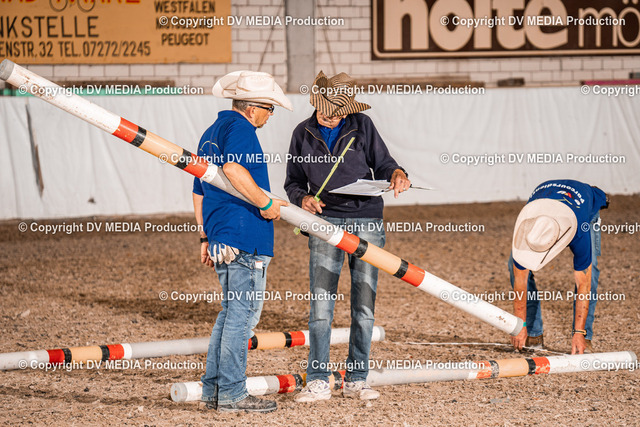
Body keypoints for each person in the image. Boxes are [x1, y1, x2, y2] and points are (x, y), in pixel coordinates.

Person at [285, 71, 411, 402]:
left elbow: (385, 165)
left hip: (366, 218)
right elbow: (293, 182)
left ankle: (357, 378)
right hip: (324, 222)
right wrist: (303, 199)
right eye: (329, 111)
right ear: (317, 105)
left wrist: (398, 174)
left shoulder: (363, 125)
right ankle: (317, 379)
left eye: (339, 112)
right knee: (321, 305)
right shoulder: (301, 134)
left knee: (364, 306)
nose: (334, 116)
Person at [193, 70, 291, 413]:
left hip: (221, 232)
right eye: (269, 108)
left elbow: (198, 190)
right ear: (252, 108)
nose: (270, 115)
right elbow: (235, 170)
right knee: (243, 316)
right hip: (244, 232)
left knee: (229, 314)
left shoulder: (210, 133)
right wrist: (265, 204)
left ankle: (213, 390)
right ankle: (233, 393)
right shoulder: (241, 129)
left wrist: (205, 235)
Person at [509, 179, 608, 355]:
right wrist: (519, 325)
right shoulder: (529, 227)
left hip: (584, 209)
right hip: (545, 202)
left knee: (590, 274)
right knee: (514, 267)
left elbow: (583, 285)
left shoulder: (580, 231)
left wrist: (579, 332)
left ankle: (584, 336)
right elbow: (520, 280)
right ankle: (532, 333)